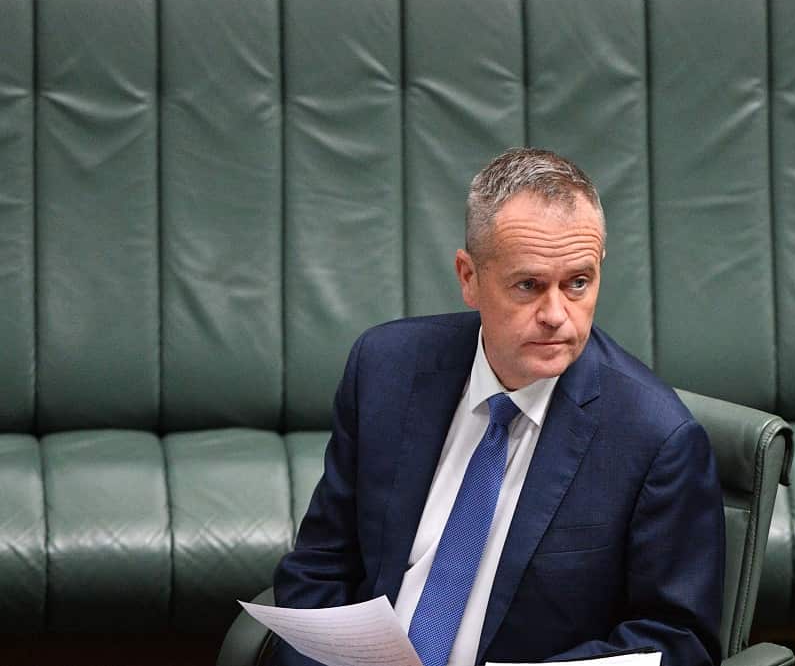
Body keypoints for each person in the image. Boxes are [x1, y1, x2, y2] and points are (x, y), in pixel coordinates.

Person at [271, 148, 725, 666]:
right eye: (528, 285)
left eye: (578, 282)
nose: (557, 315)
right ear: (469, 277)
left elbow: (677, 641)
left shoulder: (656, 439)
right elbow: (319, 568)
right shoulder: (386, 370)